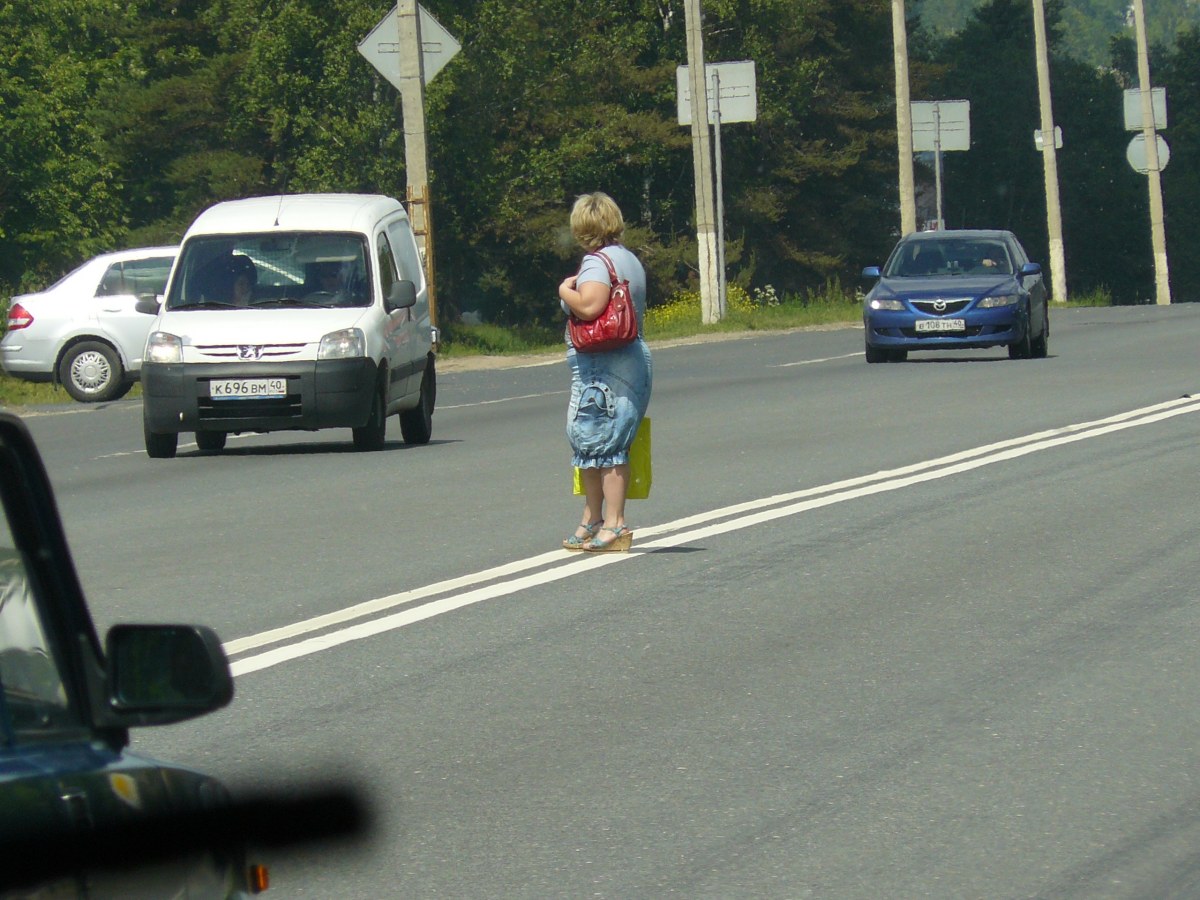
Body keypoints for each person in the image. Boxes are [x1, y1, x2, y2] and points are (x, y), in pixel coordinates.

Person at [557, 192, 652, 552]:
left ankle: (614, 523)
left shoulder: (597, 263)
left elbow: (591, 305)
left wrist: (565, 290)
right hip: (624, 359)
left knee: (607, 445)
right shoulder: (628, 260)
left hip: (606, 365)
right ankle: (592, 518)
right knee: (590, 443)